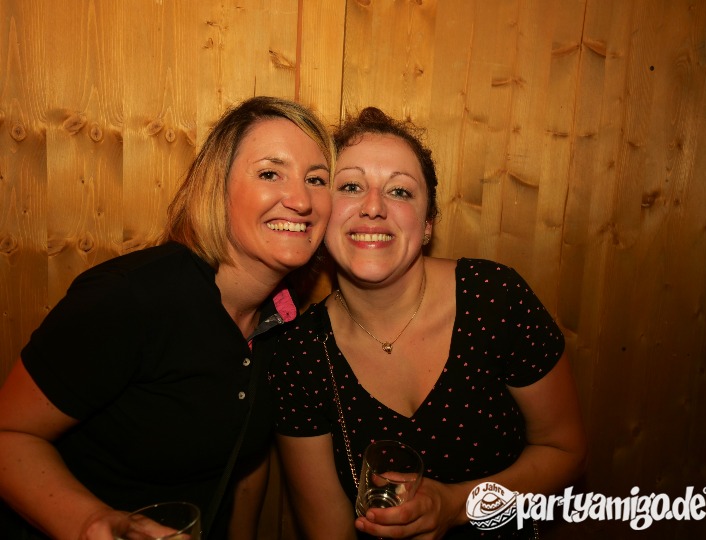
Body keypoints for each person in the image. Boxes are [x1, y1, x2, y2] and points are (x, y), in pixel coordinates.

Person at [0, 96, 334, 540]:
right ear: (217, 189)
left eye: (316, 179)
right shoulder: (130, 298)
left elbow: (244, 461)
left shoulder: (281, 321)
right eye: (270, 173)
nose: (301, 199)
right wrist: (91, 522)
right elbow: (8, 434)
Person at [269, 107, 587, 539]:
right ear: (320, 213)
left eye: (400, 191)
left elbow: (565, 452)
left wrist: (456, 505)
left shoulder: (494, 299)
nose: (373, 207)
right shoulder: (300, 354)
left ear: (427, 225)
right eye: (350, 186)